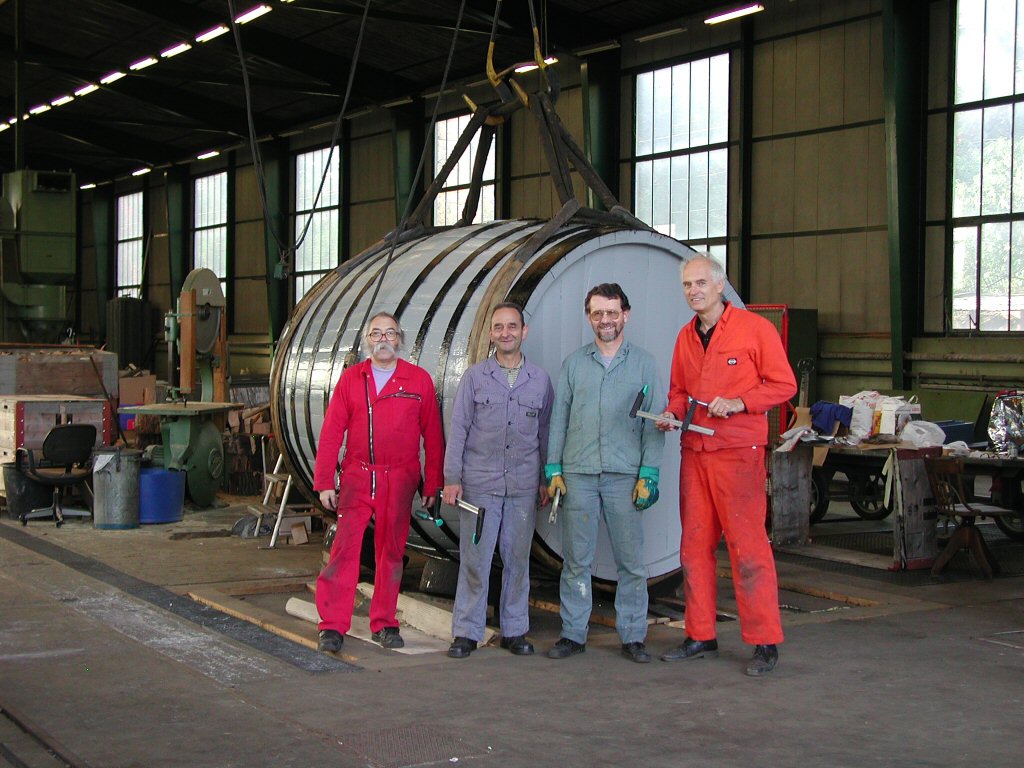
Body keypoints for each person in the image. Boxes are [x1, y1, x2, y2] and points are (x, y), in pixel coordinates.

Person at [656, 255, 796, 676]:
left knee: (747, 547)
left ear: (720, 285)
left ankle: (764, 641)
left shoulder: (755, 329)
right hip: (695, 453)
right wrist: (671, 413)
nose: (693, 291)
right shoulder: (685, 336)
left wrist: (740, 402)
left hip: (738, 454)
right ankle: (700, 634)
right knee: (694, 547)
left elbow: (784, 384)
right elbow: (679, 391)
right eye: (687, 285)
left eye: (701, 283)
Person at [544, 283, 665, 663]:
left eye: (612, 312)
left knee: (631, 563)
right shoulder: (573, 364)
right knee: (576, 561)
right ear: (589, 317)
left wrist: (649, 474)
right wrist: (553, 468)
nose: (605, 320)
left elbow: (655, 423)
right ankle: (573, 633)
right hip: (578, 474)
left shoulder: (645, 364)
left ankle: (633, 636)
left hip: (624, 476)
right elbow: (559, 420)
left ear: (625, 315)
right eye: (597, 313)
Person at [313, 312, 444, 653]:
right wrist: (325, 480)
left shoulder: (418, 381)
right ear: (367, 341)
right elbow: (331, 431)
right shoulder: (351, 379)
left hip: (399, 478)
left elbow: (433, 437)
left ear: (400, 339)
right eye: (376, 334)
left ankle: (384, 623)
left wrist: (432, 483)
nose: (383, 340)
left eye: (390, 333)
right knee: (345, 551)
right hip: (358, 475)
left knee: (391, 552)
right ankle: (332, 626)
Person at [443, 303, 554, 659]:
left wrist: (544, 478)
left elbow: (545, 433)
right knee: (475, 561)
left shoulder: (540, 380)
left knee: (518, 561)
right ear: (491, 334)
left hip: (522, 487)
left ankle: (515, 630)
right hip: (479, 486)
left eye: (512, 326)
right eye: (499, 327)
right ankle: (466, 632)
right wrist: (452, 478)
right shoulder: (475, 378)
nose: (506, 333)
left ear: (524, 332)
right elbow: (458, 429)